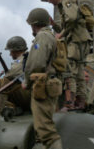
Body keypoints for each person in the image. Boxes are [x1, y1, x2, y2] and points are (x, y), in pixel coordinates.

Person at [42, 0, 94, 110]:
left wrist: (61, 35)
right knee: (80, 72)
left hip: (76, 42)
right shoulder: (65, 4)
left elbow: (71, 19)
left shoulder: (67, 1)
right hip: (80, 41)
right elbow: (68, 27)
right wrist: (54, 25)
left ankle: (70, 102)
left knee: (70, 71)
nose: (49, 2)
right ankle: (80, 102)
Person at [23, 8, 63, 149]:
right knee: (42, 130)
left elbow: (36, 63)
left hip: (42, 85)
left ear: (34, 24)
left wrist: (27, 82)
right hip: (49, 84)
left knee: (46, 131)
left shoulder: (43, 36)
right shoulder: (50, 36)